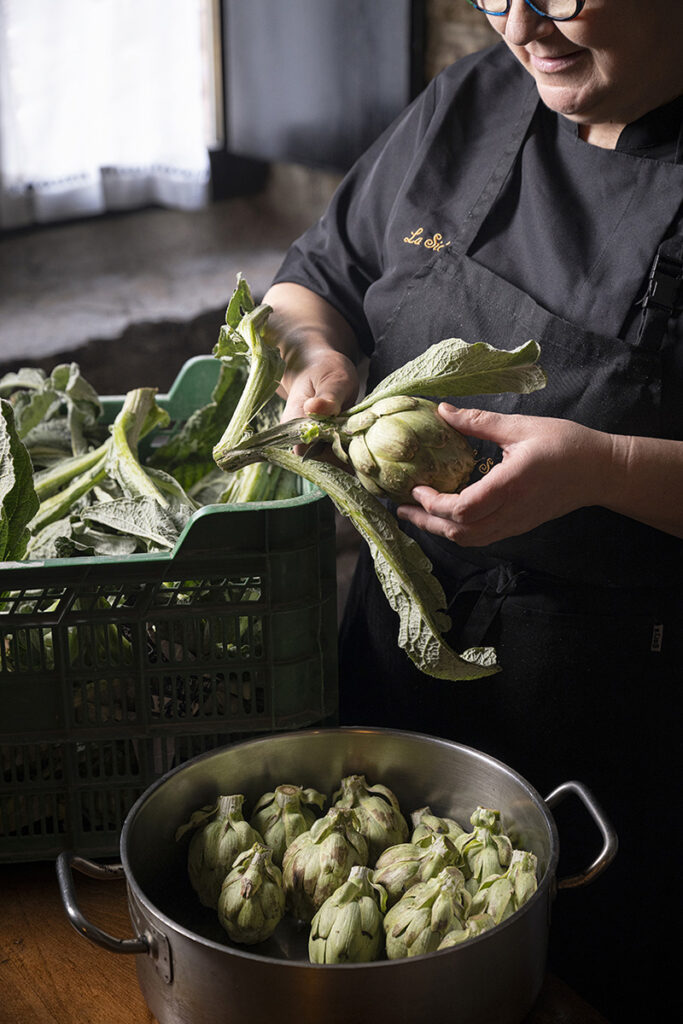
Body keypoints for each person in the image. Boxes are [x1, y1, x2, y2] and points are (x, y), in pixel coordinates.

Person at [262, 2, 683, 1017]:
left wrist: (608, 466)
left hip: (611, 723)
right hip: (392, 660)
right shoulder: (473, 97)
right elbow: (311, 283)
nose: (522, 27)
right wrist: (315, 359)